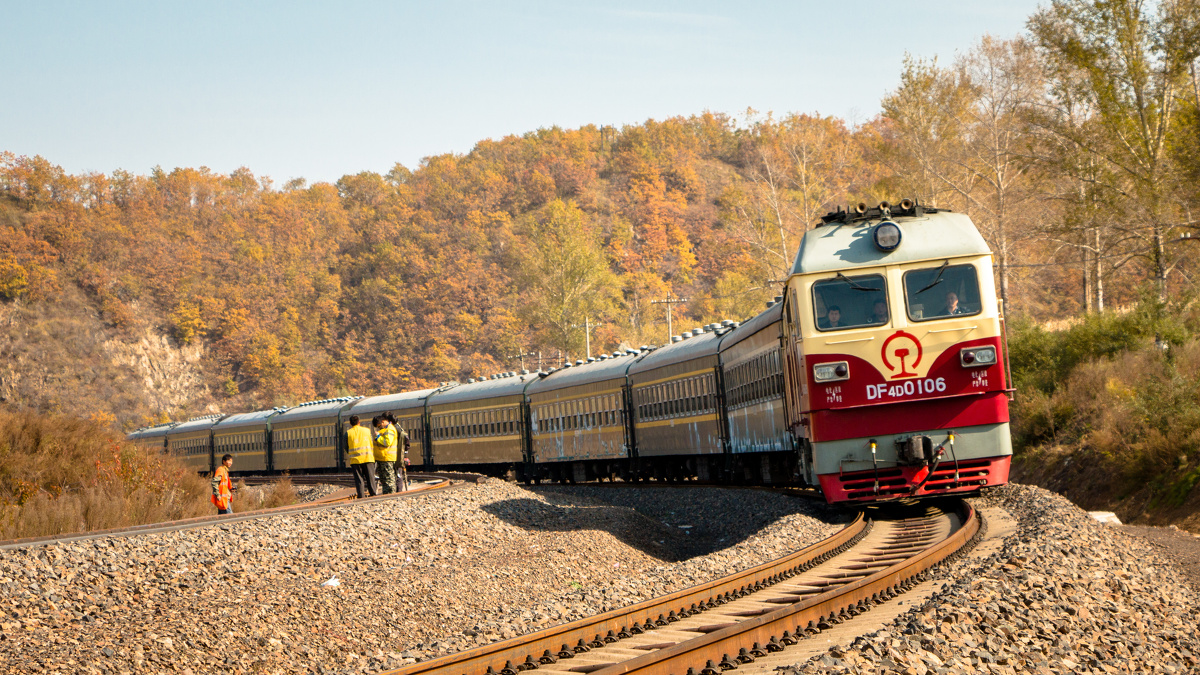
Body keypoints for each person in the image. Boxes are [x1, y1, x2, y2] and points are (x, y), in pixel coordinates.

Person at [345, 415, 378, 498]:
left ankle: (361, 495)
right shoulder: (367, 431)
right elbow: (371, 442)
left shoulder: (348, 433)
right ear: (359, 422)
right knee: (370, 477)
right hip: (368, 458)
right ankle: (373, 493)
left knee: (359, 479)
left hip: (355, 460)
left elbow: (346, 446)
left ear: (350, 423)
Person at [374, 414, 399, 494]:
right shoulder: (385, 430)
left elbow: (387, 442)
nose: (379, 427)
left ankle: (390, 494)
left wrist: (378, 437)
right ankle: (386, 494)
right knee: (384, 479)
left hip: (387, 458)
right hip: (382, 457)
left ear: (382, 422)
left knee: (388, 478)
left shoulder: (390, 429)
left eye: (379, 425)